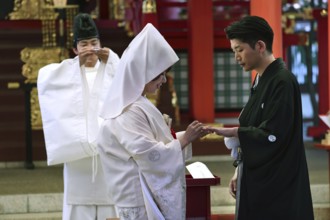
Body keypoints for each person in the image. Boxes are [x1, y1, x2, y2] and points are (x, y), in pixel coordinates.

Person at [97, 23, 208, 220]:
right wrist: (184, 139)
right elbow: (148, 154)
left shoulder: (135, 103)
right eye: (159, 75)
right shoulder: (129, 110)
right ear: (142, 75)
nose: (164, 80)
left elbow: (149, 145)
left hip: (139, 191)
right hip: (138, 195)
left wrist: (183, 135)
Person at [208, 16, 314, 220]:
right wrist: (240, 170)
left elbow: (274, 134)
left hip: (279, 183)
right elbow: (256, 128)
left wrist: (236, 132)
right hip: (260, 177)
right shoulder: (262, 79)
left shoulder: (282, 81)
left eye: (239, 49)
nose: (236, 57)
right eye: (234, 51)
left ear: (260, 45)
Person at [37, 13, 120, 220]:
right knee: (78, 202)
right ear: (75, 49)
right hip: (78, 155)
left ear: (102, 45)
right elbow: (46, 79)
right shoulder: (67, 74)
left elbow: (132, 85)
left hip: (108, 151)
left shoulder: (114, 70)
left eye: (94, 42)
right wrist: (75, 65)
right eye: (84, 44)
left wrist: (114, 62)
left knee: (111, 198)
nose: (90, 48)